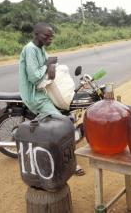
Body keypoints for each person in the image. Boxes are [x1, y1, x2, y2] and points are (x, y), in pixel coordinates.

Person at [19, 22, 85, 176]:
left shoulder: (40, 48)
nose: (50, 39)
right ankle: (70, 162)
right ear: (36, 35)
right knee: (63, 124)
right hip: (35, 95)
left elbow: (51, 66)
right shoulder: (30, 49)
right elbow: (35, 77)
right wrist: (48, 65)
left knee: (65, 111)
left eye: (51, 36)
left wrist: (50, 65)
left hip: (43, 91)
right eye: (46, 36)